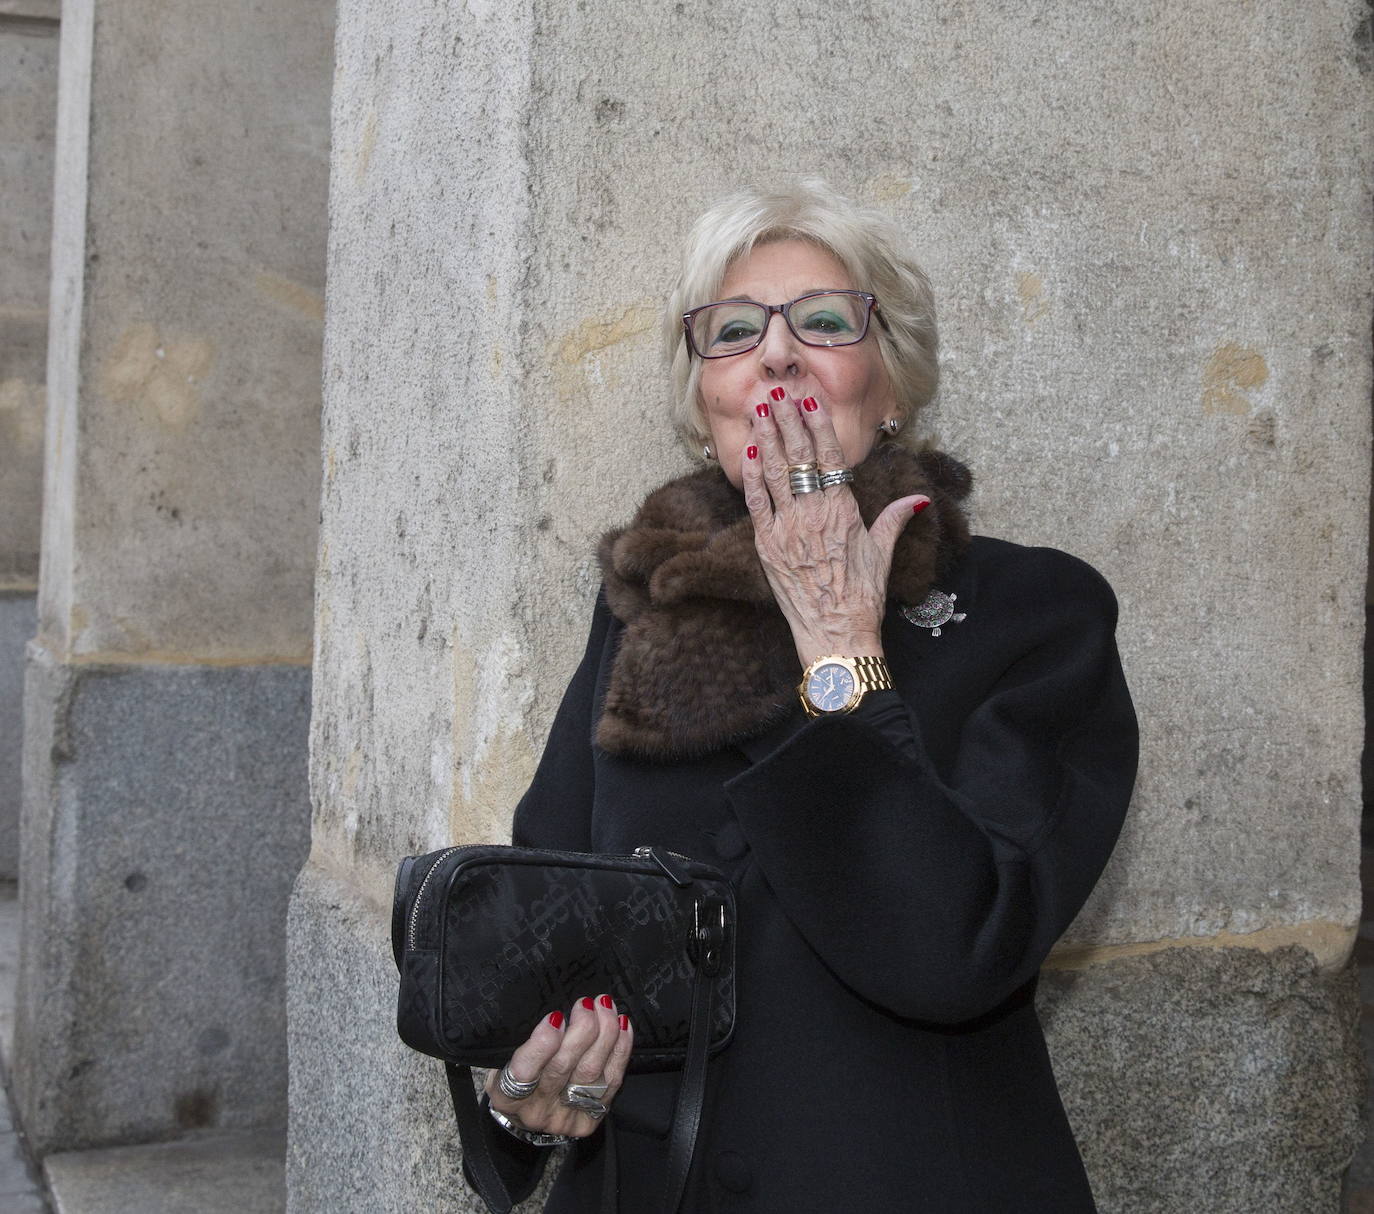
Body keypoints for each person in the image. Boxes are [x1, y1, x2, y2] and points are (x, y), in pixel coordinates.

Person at [467, 179, 1138, 1212]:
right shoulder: (644, 603)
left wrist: (840, 643)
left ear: (893, 382)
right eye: (735, 330)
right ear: (705, 399)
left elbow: (957, 950)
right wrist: (526, 1096)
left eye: (824, 321)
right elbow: (546, 933)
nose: (777, 352)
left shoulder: (1032, 615)